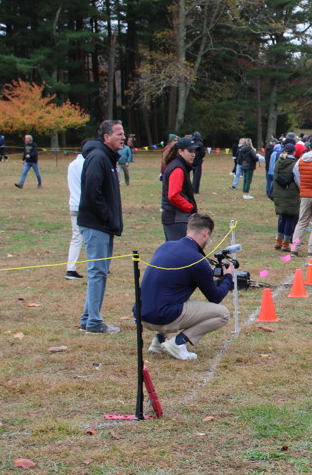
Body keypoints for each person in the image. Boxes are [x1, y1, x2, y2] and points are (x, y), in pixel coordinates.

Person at [136, 213, 235, 361]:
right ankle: (178, 342)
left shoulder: (165, 246)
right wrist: (228, 277)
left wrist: (208, 273)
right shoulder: (197, 260)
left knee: (170, 294)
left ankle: (158, 342)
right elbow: (215, 297)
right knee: (222, 314)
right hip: (162, 317)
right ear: (206, 233)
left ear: (188, 229)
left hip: (141, 313)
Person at [77, 120, 125, 333]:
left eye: (123, 134)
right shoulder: (98, 157)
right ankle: (94, 323)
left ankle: (88, 318)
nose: (123, 138)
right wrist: (106, 217)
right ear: (106, 137)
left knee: (100, 272)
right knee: (97, 272)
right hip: (96, 225)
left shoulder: (107, 157)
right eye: (119, 134)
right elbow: (92, 193)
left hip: (104, 225)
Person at [161, 136, 201, 241]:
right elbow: (173, 195)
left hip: (176, 218)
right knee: (179, 250)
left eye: (194, 151)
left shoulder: (179, 165)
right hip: (177, 219)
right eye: (190, 151)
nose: (193, 154)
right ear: (180, 151)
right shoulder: (178, 168)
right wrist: (190, 207)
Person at [65, 147, 87, 280]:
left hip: (73, 203)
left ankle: (71, 268)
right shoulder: (87, 164)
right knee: (91, 237)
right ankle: (98, 266)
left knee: (76, 237)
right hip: (85, 205)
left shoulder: (72, 164)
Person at [273, 142, 300, 251]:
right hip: (291, 194)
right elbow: (298, 180)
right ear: (294, 152)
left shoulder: (278, 162)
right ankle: (286, 243)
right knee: (290, 218)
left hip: (279, 194)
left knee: (282, 217)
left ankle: (278, 241)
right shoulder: (295, 164)